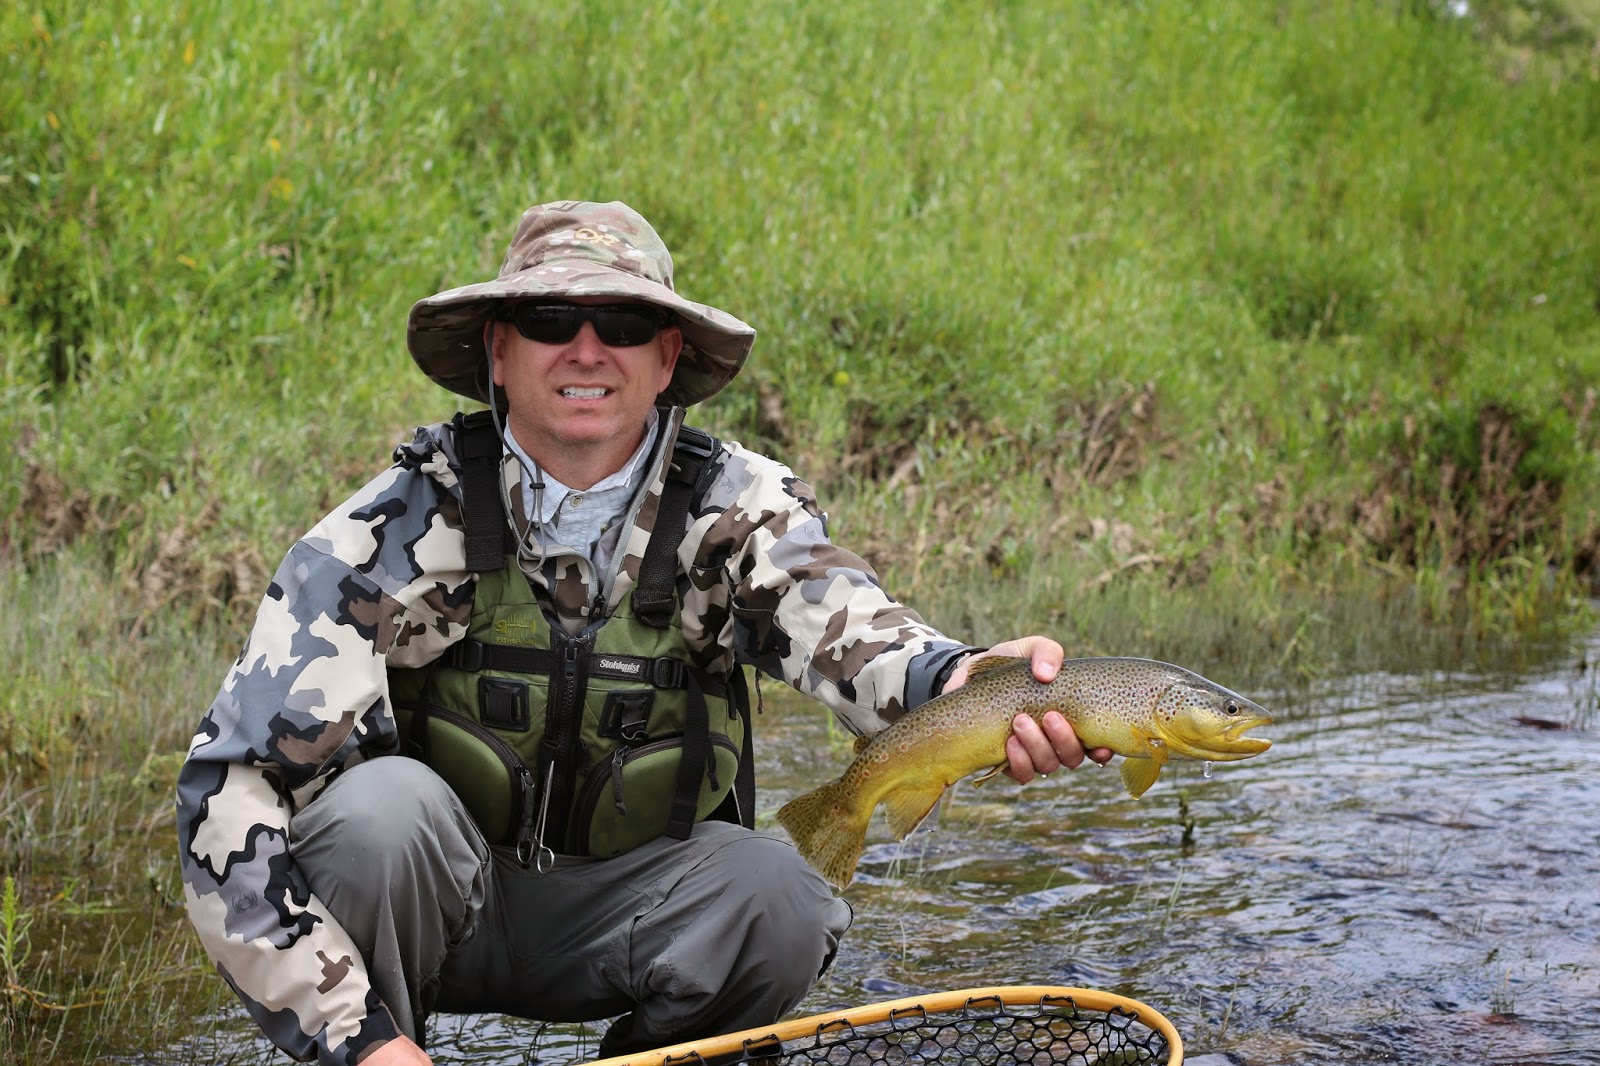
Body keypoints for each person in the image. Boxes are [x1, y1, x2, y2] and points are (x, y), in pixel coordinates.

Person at [176, 200, 1111, 1066]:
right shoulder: (388, 531)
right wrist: (360, 1042)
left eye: (622, 325)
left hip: (638, 916)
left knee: (780, 898)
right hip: (441, 910)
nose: (587, 349)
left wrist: (963, 683)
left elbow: (858, 634)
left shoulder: (737, 511)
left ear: (667, 359)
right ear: (498, 351)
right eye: (549, 320)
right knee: (374, 819)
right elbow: (227, 795)